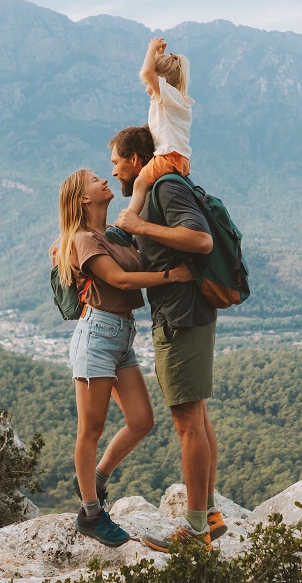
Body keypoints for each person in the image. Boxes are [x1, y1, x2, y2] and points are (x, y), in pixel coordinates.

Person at [52, 168, 193, 547]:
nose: (104, 180)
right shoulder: (82, 240)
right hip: (96, 336)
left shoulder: (111, 235)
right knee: (91, 429)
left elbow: (136, 199)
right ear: (84, 198)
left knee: (142, 420)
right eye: (96, 180)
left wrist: (149, 173)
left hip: (120, 337)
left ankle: (96, 479)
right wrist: (171, 275)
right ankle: (91, 513)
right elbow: (120, 280)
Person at [109, 125, 226, 552]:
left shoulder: (166, 188)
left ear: (136, 161)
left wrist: (142, 223)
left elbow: (200, 239)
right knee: (197, 415)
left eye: (117, 163)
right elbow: (140, 241)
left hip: (182, 315)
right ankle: (208, 514)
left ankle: (195, 532)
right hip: (182, 313)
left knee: (187, 423)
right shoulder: (156, 193)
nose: (116, 173)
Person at [106, 37, 194, 248]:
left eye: (150, 84)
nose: (147, 88)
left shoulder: (167, 97)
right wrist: (157, 56)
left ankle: (126, 227)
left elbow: (146, 73)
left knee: (139, 183)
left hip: (167, 156)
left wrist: (151, 49)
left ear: (161, 79)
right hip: (178, 157)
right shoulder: (175, 100)